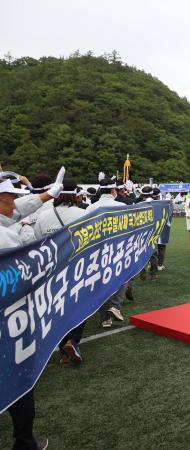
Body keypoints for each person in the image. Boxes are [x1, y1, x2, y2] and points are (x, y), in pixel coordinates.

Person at [0, 168, 63, 450]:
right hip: (10, 323)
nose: (15, 206)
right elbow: (31, 269)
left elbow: (17, 209)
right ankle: (24, 442)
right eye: (9, 200)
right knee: (19, 383)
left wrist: (46, 194)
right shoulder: (6, 238)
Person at [34, 178, 88, 365]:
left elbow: (37, 242)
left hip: (52, 269)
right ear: (76, 195)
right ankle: (73, 341)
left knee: (56, 308)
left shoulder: (43, 216)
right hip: (78, 266)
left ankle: (63, 349)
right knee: (81, 305)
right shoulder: (84, 213)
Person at [87, 178, 130, 327]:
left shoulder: (91, 208)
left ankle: (105, 318)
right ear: (113, 190)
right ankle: (116, 306)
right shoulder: (121, 206)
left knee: (101, 283)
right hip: (118, 248)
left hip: (97, 251)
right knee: (123, 277)